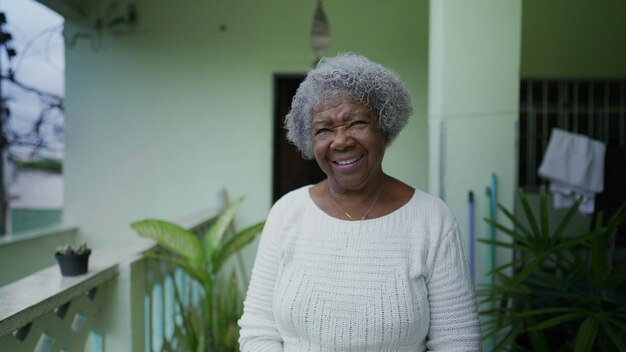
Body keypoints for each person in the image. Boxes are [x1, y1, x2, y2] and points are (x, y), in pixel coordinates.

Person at [239, 53, 480, 351]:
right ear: (310, 140)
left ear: (384, 126)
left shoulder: (431, 219)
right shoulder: (286, 213)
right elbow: (258, 331)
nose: (341, 141)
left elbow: (457, 341)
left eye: (356, 122)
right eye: (324, 129)